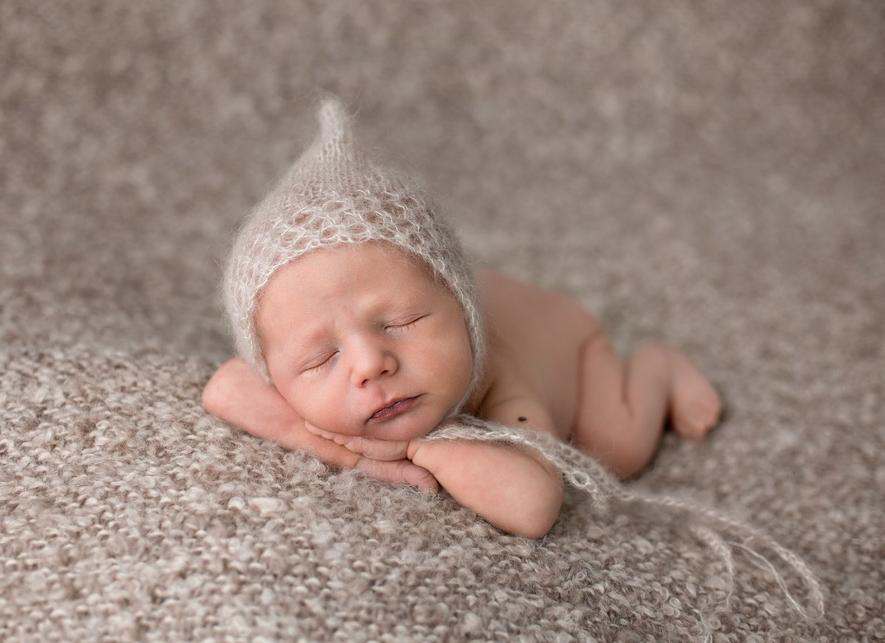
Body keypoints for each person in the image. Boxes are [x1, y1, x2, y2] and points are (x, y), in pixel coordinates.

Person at [203, 98, 722, 539]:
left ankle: (658, 367)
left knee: (617, 447)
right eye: (322, 357)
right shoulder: (300, 350)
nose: (368, 362)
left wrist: (408, 445)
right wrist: (354, 456)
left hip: (567, 339)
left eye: (401, 321)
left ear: (461, 307)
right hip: (492, 298)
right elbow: (226, 390)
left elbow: (532, 505)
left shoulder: (499, 384)